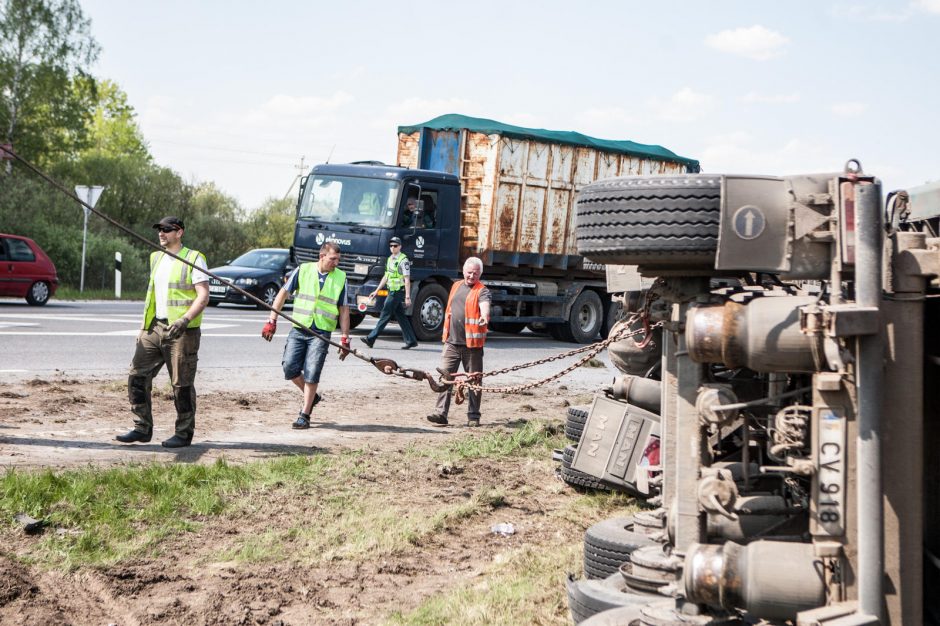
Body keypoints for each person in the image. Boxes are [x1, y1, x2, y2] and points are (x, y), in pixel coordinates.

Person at [117, 216, 209, 448]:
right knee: (137, 375)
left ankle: (184, 433)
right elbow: (152, 297)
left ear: (180, 232)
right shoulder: (155, 257)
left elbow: (203, 296)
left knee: (181, 384)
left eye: (167, 229)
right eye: (159, 229)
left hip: (182, 331)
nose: (161, 233)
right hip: (154, 328)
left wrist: (185, 320)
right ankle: (142, 427)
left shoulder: (194, 258)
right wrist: (142, 328)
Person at [261, 242, 351, 429]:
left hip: (321, 332)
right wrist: (272, 320)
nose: (336, 263)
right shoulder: (303, 270)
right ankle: (313, 397)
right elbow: (283, 294)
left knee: (312, 372)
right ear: (322, 256)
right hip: (299, 328)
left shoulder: (341, 277)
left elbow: (343, 310)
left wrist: (344, 338)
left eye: (338, 260)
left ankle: (305, 414)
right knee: (289, 368)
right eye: (333, 259)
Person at [426, 257, 490, 428]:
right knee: (445, 378)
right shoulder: (456, 286)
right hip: (452, 343)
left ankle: (473, 416)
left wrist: (484, 316)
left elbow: (485, 305)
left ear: (480, 274)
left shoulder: (482, 291)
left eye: (475, 274)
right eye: (469, 273)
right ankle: (440, 414)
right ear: (463, 272)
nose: (471, 276)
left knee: (474, 382)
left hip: (472, 346)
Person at [360, 236, 418, 349]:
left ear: (400, 246)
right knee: (401, 317)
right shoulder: (390, 259)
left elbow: (407, 279)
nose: (392, 248)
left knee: (385, 315)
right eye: (391, 246)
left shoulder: (403, 260)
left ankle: (371, 338)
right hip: (391, 290)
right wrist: (376, 291)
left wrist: (407, 296)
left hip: (397, 292)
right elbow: (386, 277)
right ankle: (411, 340)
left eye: (395, 246)